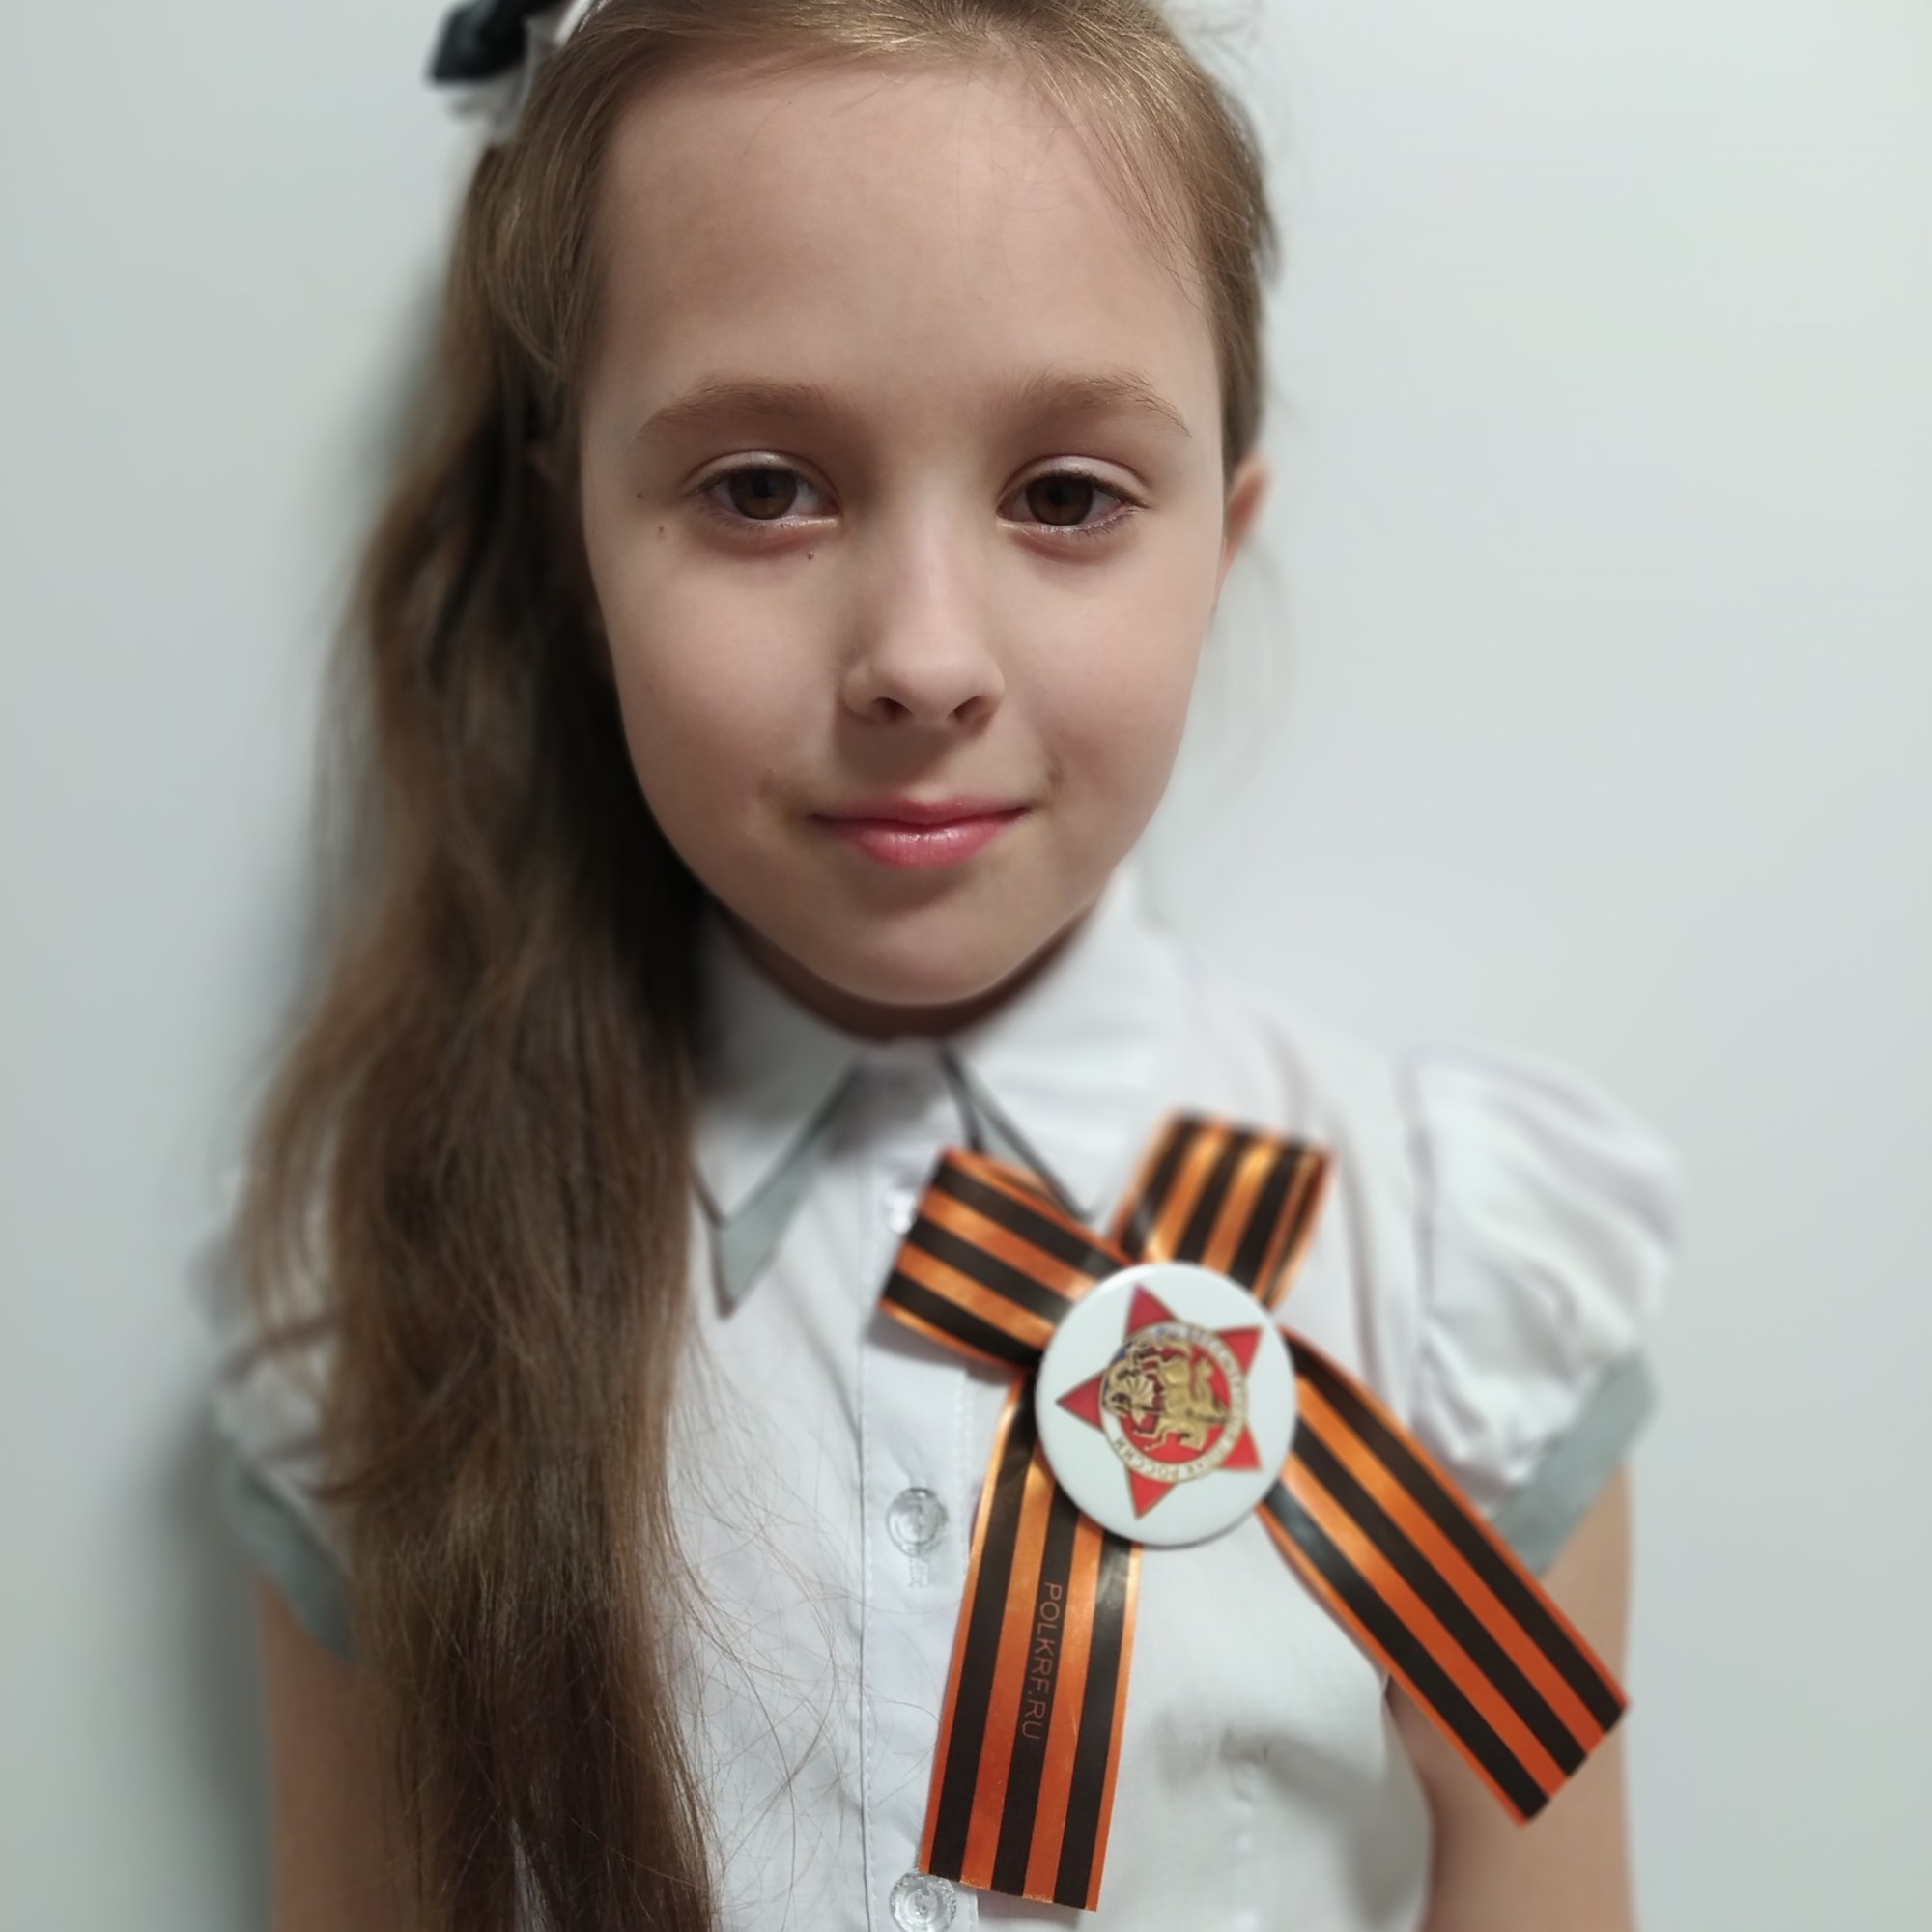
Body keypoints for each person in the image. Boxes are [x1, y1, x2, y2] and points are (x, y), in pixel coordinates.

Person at [201, 4, 1681, 1929]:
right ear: (574, 550)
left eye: (1065, 496)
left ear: (1221, 541)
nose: (920, 657)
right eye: (760, 487)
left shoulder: (1453, 1266)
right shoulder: (386, 1273)